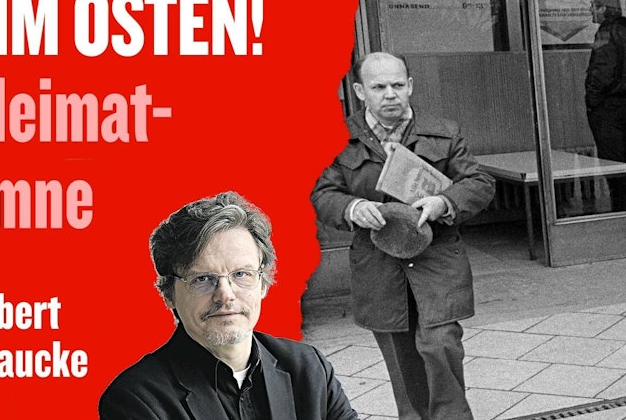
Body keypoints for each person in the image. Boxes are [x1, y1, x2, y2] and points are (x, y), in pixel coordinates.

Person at [312, 52, 497, 420]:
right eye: (379, 87)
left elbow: (480, 182)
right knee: (402, 359)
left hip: (437, 260)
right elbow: (322, 194)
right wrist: (351, 208)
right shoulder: (336, 139)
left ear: (410, 86)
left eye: (398, 85)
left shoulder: (443, 130)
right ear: (360, 92)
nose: (390, 95)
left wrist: (445, 201)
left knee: (440, 345)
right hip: (378, 266)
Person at [101, 192, 357, 420]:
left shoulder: (309, 368)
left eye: (242, 274)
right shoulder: (137, 401)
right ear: (169, 294)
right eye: (202, 279)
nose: (225, 295)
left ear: (263, 283)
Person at [586, 0, 626, 211]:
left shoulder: (605, 34)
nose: (590, 10)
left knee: (612, 163)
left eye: (593, 5)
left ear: (604, 9)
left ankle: (621, 210)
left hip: (608, 106)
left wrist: (592, 101)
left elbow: (600, 72)